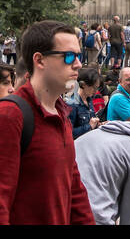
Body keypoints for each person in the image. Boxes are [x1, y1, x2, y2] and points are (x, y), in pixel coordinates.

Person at [0, 19, 95, 225]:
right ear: (39, 60)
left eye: (78, 56)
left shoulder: (62, 114)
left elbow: (75, 191)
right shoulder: (10, 115)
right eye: (69, 56)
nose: (78, 63)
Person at [66, 67, 102, 139]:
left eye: (97, 88)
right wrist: (89, 126)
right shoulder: (71, 103)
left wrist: (98, 124)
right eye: (94, 88)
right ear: (83, 84)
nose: (96, 91)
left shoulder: (89, 100)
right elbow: (68, 133)